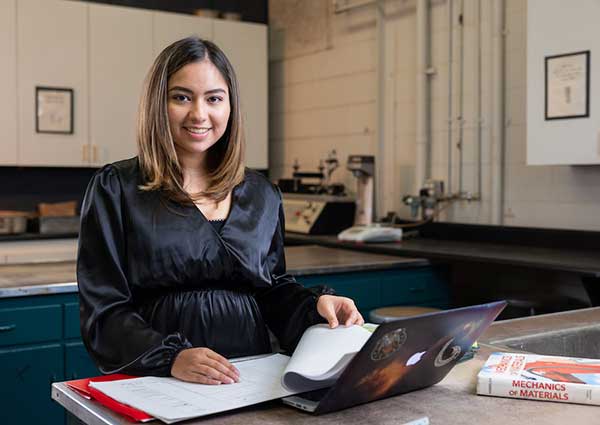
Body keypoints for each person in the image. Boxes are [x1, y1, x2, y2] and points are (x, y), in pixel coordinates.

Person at [77, 36, 364, 386]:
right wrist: (172, 358)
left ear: (230, 106)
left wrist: (315, 305)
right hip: (158, 380)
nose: (199, 114)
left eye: (214, 98)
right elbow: (104, 313)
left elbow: (271, 290)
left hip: (248, 376)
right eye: (181, 97)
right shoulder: (116, 187)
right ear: (157, 104)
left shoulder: (262, 194)